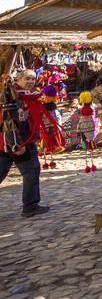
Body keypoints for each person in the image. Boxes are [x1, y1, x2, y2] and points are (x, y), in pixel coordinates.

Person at [0, 69, 51, 217]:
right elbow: (8, 121)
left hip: (8, 143)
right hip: (18, 142)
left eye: (33, 79)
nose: (30, 82)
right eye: (27, 79)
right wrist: (16, 143)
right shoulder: (14, 96)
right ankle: (30, 206)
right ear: (19, 80)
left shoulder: (25, 96)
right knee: (32, 171)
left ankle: (31, 205)